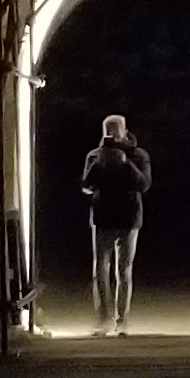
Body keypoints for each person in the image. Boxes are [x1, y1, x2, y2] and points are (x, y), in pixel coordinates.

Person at [77, 113, 153, 334]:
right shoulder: (95, 156)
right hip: (103, 218)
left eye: (115, 130)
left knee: (124, 270)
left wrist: (126, 164)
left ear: (124, 131)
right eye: (107, 130)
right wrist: (100, 164)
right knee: (100, 269)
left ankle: (122, 320)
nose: (111, 134)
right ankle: (103, 319)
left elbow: (144, 184)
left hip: (129, 219)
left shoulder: (139, 155)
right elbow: (86, 185)